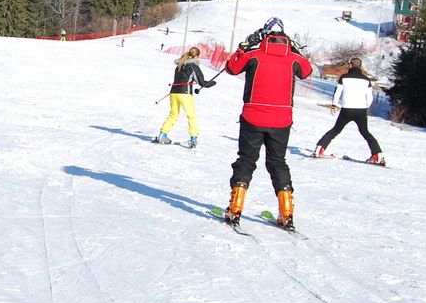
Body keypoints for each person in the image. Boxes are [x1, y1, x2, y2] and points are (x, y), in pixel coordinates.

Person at [222, 18, 313, 230]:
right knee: (277, 162)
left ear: (264, 36)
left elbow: (231, 68)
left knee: (246, 160)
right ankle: (287, 212)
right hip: (281, 119)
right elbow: (307, 71)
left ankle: (235, 207)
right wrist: (296, 50)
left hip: (253, 115)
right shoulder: (293, 59)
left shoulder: (254, 55)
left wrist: (243, 47)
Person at [314, 57, 384, 164]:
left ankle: (320, 148)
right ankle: (377, 155)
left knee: (335, 130)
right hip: (361, 110)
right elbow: (370, 97)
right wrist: (366, 107)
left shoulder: (344, 77)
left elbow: (338, 92)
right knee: (365, 133)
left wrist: (334, 104)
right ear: (360, 66)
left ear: (350, 65)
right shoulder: (366, 80)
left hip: (346, 109)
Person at [153, 46, 216, 148]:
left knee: (173, 115)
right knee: (191, 116)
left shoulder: (179, 65)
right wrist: (212, 83)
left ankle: (162, 135)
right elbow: (202, 82)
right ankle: (193, 139)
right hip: (185, 94)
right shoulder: (193, 66)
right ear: (196, 56)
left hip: (173, 93)